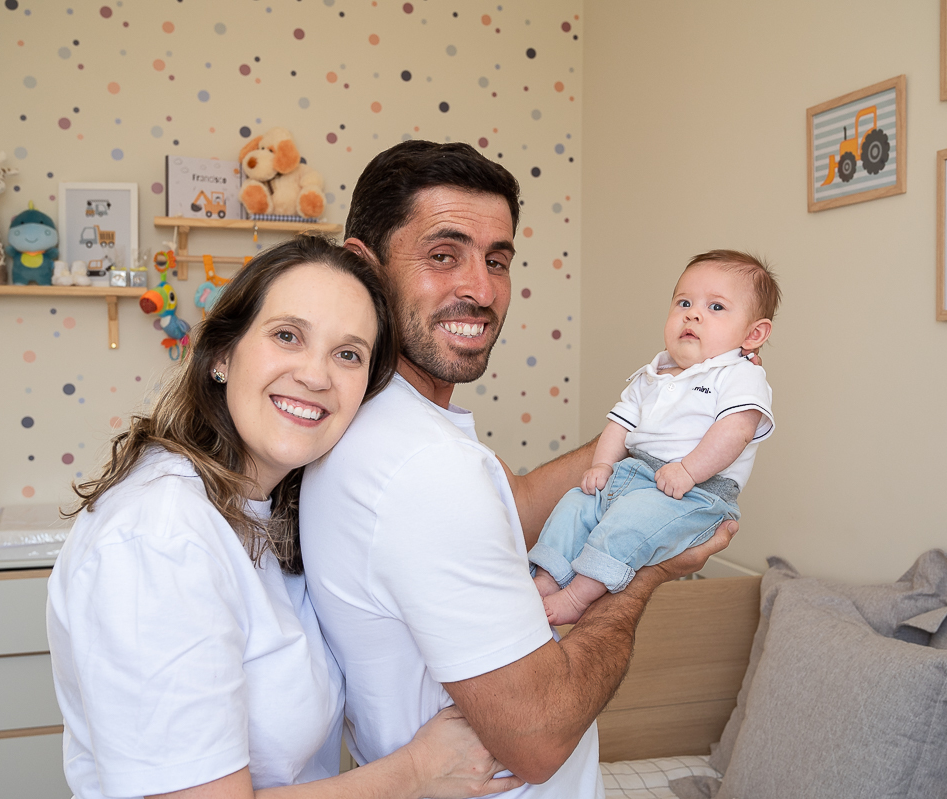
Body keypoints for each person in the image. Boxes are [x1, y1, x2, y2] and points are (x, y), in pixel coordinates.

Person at [299, 141, 739, 797]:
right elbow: (540, 739)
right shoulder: (425, 466)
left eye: (496, 259)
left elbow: (518, 501)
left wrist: (653, 434)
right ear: (364, 267)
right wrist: (644, 572)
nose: (480, 289)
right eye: (443, 255)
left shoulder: (381, 420)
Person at [46, 236, 523, 799]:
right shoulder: (160, 537)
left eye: (348, 354)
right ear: (222, 354)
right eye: (287, 336)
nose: (316, 376)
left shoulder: (274, 511)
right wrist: (417, 774)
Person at [530, 250, 779, 624]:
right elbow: (620, 423)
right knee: (575, 505)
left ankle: (578, 596)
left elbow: (736, 431)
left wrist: (689, 470)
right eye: (684, 302)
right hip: (631, 475)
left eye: (715, 307)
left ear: (753, 334)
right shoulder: (653, 373)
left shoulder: (739, 375)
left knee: (627, 524)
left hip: (696, 491)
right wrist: (602, 465)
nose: (693, 314)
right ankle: (546, 578)